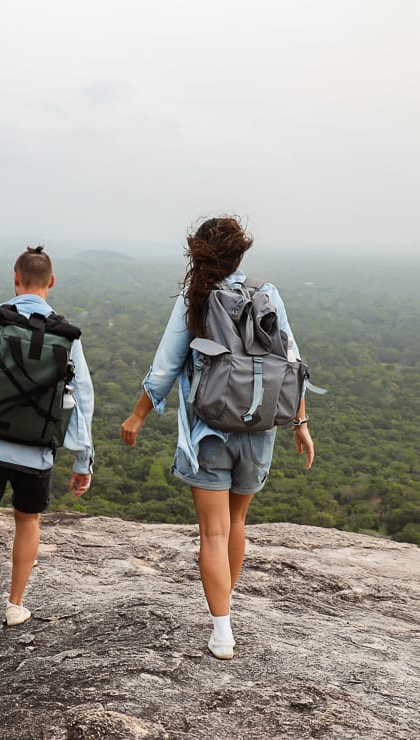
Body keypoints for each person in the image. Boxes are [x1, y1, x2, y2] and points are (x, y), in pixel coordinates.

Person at [119, 217, 315, 660]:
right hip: (260, 429)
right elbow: (292, 361)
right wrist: (300, 424)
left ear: (199, 254)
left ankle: (222, 630)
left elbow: (166, 365)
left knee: (212, 531)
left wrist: (137, 415)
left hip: (208, 431)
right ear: (240, 254)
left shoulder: (198, 300)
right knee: (236, 524)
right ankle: (226, 609)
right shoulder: (268, 294)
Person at [0, 246, 95, 630]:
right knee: (28, 519)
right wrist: (83, 461)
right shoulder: (66, 336)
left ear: (15, 280)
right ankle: (15, 605)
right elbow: (82, 400)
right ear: (51, 282)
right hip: (37, 451)